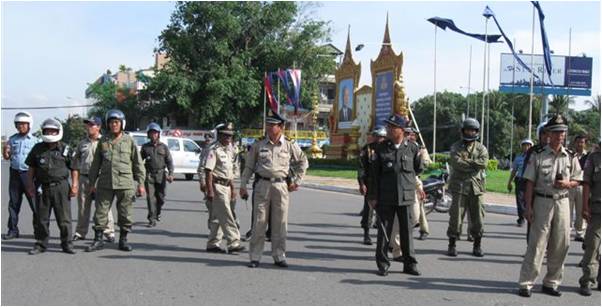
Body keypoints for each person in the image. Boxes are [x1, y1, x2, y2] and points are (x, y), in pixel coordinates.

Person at [517, 114, 582, 297]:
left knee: (561, 243)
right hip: (542, 202)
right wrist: (528, 207)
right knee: (537, 244)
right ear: (548, 134)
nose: (559, 135)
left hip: (562, 202)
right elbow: (529, 182)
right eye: (556, 132)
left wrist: (567, 184)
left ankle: (551, 282)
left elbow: (578, 179)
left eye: (562, 132)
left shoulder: (570, 156)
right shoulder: (538, 154)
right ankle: (526, 283)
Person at [240, 110, 308, 268]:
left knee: (280, 223)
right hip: (262, 185)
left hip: (281, 186)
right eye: (268, 125)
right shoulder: (258, 144)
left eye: (273, 125)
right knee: (259, 222)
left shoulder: (290, 144)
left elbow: (303, 162)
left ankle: (279, 255)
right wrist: (243, 185)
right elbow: (249, 166)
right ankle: (255, 256)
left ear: (281, 127)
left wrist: (297, 181)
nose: (269, 128)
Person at [367, 114, 422, 277]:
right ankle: (383, 264)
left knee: (407, 232)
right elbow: (374, 175)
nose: (389, 129)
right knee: (384, 232)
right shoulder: (380, 148)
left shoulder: (413, 148)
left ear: (401, 130)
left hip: (406, 197)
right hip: (386, 197)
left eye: (392, 127)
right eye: (388, 126)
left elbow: (417, 169)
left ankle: (409, 264)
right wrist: (372, 196)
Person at [85, 109, 146, 252]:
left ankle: (123, 240)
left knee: (125, 213)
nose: (114, 125)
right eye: (111, 122)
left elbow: (138, 164)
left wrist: (141, 184)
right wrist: (91, 184)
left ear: (122, 124)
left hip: (125, 183)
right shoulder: (103, 141)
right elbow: (95, 165)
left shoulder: (129, 141)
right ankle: (98, 239)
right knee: (100, 212)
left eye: (116, 122)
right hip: (105, 183)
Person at [25, 119, 79, 255]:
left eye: (53, 130)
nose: (50, 133)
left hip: (61, 187)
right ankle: (40, 244)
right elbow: (31, 167)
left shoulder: (65, 149)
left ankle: (67, 244)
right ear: (43, 131)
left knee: (64, 218)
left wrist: (74, 185)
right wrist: (30, 184)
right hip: (42, 187)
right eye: (47, 130)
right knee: (41, 218)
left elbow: (74, 168)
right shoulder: (37, 149)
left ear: (58, 132)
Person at [446, 118, 489, 258]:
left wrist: (468, 161)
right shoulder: (456, 147)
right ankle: (452, 244)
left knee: (478, 218)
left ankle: (477, 245)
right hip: (459, 187)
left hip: (476, 188)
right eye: (467, 130)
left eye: (472, 130)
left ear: (476, 132)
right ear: (463, 131)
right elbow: (457, 163)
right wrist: (473, 164)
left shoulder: (481, 148)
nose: (469, 132)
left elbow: (483, 163)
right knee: (456, 217)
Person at [72, 116, 116, 242]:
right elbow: (75, 164)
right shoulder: (82, 143)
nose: (89, 127)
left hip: (101, 179)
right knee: (83, 208)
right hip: (85, 178)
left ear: (99, 127)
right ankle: (80, 232)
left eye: (92, 125)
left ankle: (109, 232)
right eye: (88, 125)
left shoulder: (105, 142)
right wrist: (75, 183)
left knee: (103, 207)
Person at [204, 123, 245, 254]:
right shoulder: (214, 150)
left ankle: (212, 243)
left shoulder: (229, 150)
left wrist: (233, 189)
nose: (229, 139)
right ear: (220, 136)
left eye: (231, 136)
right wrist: (209, 190)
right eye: (226, 136)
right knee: (227, 215)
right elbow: (208, 171)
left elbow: (229, 173)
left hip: (227, 186)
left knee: (217, 217)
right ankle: (233, 242)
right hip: (217, 187)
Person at [3, 111, 39, 240]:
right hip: (15, 175)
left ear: (29, 125)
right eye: (18, 124)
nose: (20, 126)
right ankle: (12, 230)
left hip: (29, 175)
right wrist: (5, 151)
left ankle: (38, 230)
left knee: (35, 204)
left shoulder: (36, 141)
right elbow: (7, 157)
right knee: (13, 203)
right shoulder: (12, 139)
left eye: (23, 124)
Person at [358, 125, 387, 245]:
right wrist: (361, 183)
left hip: (385, 184)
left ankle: (385, 235)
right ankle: (366, 234)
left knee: (385, 211)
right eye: (376, 136)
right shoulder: (367, 149)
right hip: (371, 184)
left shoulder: (388, 149)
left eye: (381, 137)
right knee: (368, 210)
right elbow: (361, 168)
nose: (379, 139)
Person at [140, 123, 174, 228]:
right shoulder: (145, 147)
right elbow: (139, 162)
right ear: (148, 135)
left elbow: (169, 162)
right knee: (150, 198)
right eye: (151, 133)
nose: (153, 135)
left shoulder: (164, 147)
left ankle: (157, 212)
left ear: (158, 134)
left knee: (161, 198)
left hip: (161, 175)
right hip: (149, 175)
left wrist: (171, 174)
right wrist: (139, 174)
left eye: (155, 133)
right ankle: (152, 218)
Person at [578, 143, 600, 296]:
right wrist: (585, 206)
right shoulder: (593, 158)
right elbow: (586, 183)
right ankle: (587, 280)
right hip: (597, 208)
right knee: (592, 246)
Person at [507, 139, 534, 227]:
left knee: (528, 200)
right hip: (520, 180)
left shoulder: (534, 157)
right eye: (524, 145)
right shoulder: (518, 158)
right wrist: (510, 182)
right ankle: (521, 218)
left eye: (528, 145)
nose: (526, 147)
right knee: (519, 200)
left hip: (529, 180)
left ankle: (529, 215)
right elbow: (514, 170)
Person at [570, 135, 589, 242]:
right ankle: (566, 230)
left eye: (582, 142)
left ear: (585, 144)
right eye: (578, 142)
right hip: (570, 185)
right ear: (575, 143)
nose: (580, 144)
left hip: (582, 186)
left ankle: (580, 233)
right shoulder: (570, 155)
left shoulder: (589, 156)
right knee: (568, 209)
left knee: (581, 210)